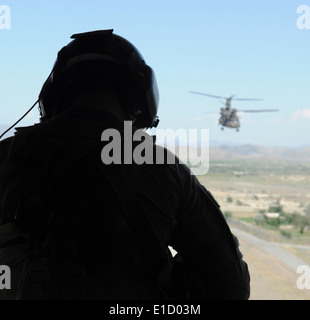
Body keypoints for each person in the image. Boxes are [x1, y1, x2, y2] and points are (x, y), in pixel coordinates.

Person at [0, 29, 250, 300]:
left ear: (54, 95)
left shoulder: (6, 155)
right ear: (140, 100)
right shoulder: (162, 167)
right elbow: (230, 285)